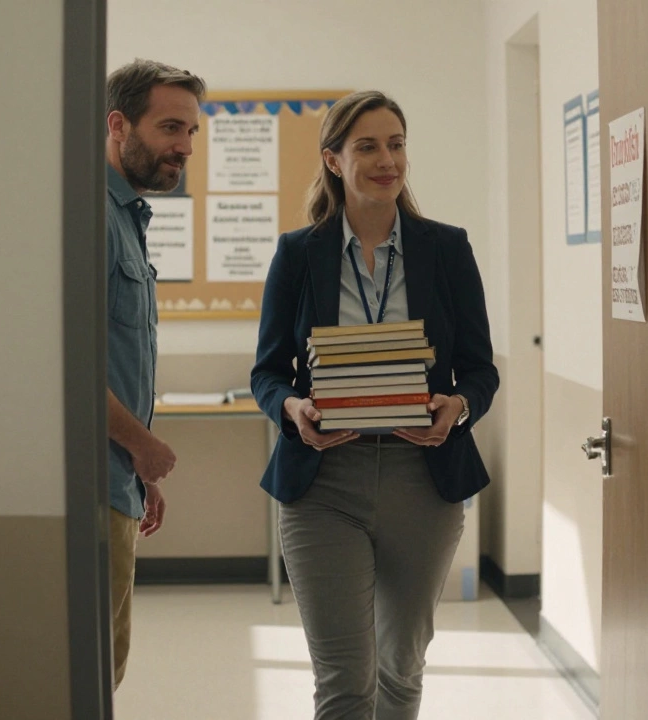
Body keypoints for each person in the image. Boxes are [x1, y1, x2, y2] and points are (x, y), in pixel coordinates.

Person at [251, 90, 499, 720]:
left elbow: (480, 369)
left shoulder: (446, 249)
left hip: (425, 480)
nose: (387, 159)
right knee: (343, 680)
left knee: (401, 670)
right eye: (367, 146)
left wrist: (460, 406)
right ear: (334, 160)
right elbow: (268, 373)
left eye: (396, 143)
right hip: (323, 483)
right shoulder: (297, 254)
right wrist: (291, 410)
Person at [103, 59, 206, 690]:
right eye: (171, 128)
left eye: (192, 132)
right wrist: (141, 445)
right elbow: (69, 365)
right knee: (95, 672)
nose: (183, 147)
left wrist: (138, 469)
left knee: (107, 666)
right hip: (93, 484)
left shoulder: (128, 217)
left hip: (116, 480)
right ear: (118, 124)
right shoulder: (91, 218)